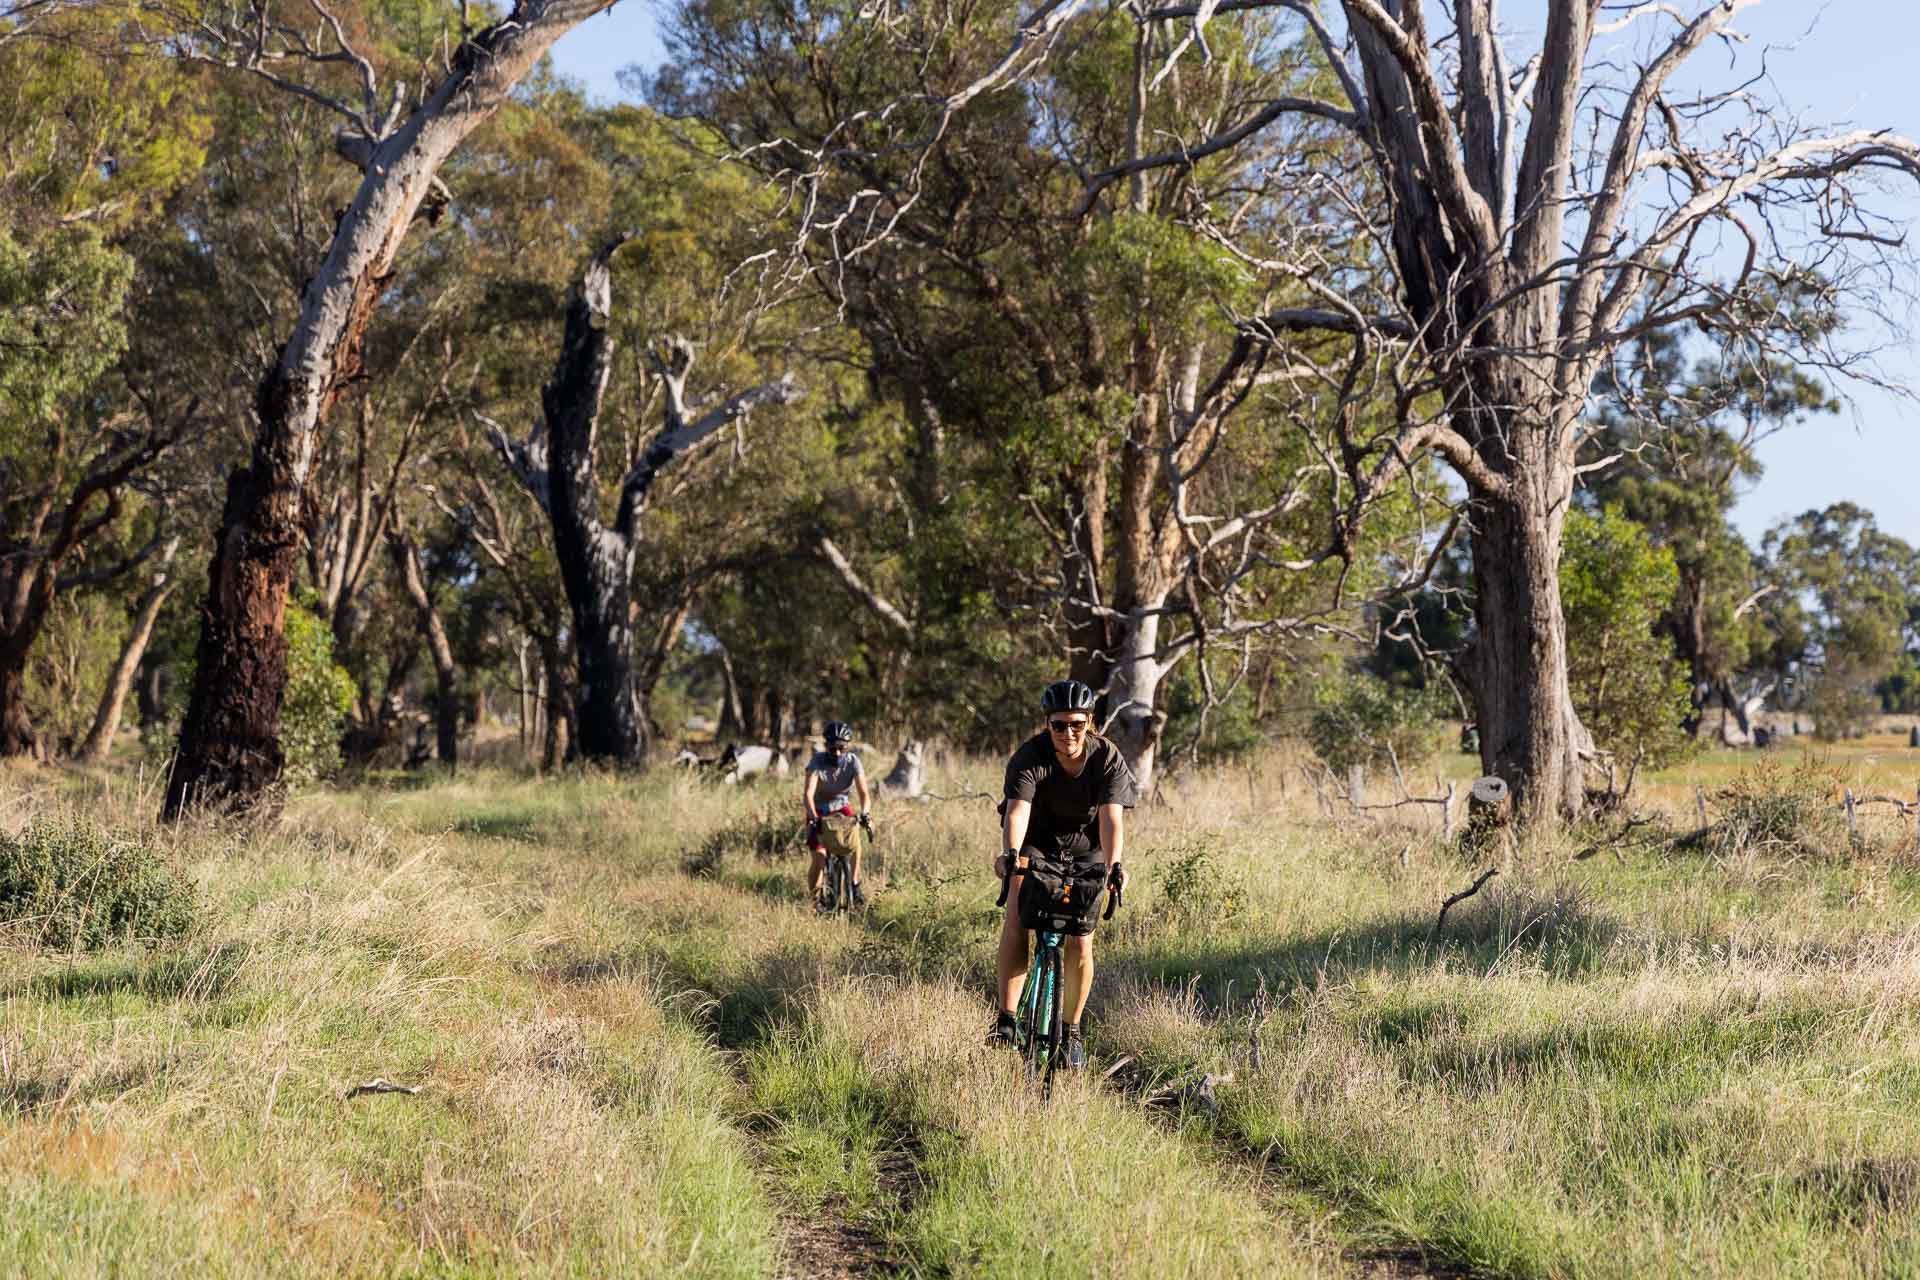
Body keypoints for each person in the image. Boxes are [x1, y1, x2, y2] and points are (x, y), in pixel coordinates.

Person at [989, 679, 1135, 1069]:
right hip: (1037, 841)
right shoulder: (1030, 756)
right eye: (1059, 725)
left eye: (1076, 724)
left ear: (1089, 722)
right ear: (1047, 724)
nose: (1068, 733)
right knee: (1017, 915)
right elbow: (1017, 811)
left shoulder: (1106, 757)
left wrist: (1114, 865)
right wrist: (1011, 855)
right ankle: (1006, 1019)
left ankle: (1070, 1031)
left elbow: (1112, 820)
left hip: (1089, 847)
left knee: (1082, 941)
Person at [803, 720, 872, 910]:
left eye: (841, 748)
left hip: (841, 807)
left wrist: (865, 813)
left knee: (855, 843)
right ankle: (815, 900)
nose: (837, 753)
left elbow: (864, 793)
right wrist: (813, 817)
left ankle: (855, 884)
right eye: (833, 749)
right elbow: (808, 793)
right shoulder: (817, 762)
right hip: (818, 809)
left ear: (847, 747)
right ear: (826, 746)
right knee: (818, 855)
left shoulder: (853, 762)